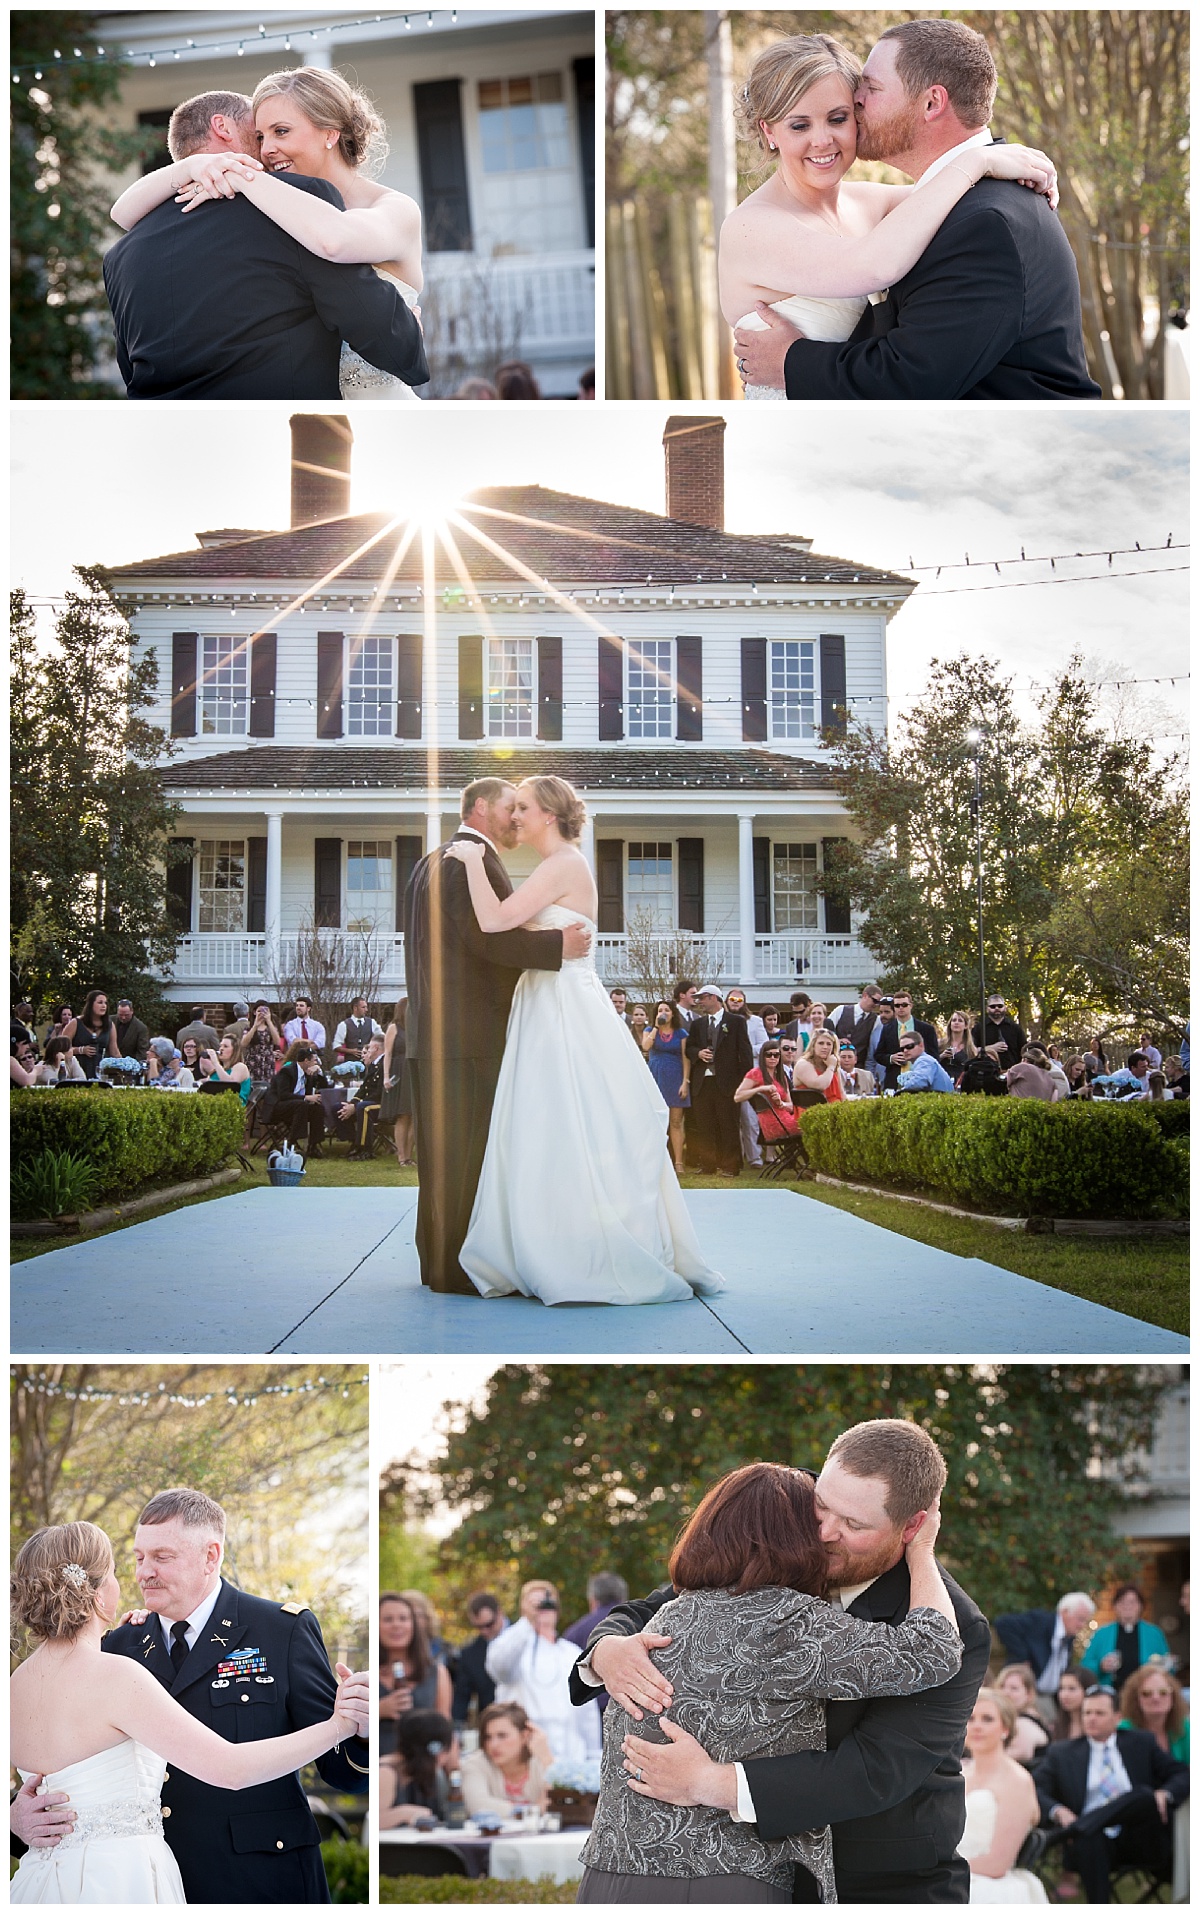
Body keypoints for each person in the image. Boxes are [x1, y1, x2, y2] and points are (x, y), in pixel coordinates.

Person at [571, 1419, 992, 1903]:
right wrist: (606, 1650)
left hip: (881, 1882)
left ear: (912, 1526)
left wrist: (713, 1783)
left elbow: (875, 1770)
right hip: (750, 1873)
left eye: (854, 1526)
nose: (827, 1533)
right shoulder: (786, 1523)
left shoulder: (958, 1625)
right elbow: (668, 1602)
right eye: (824, 1508)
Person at [443, 777, 723, 1304]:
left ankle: (576, 1248)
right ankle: (548, 1237)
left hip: (563, 1006)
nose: (516, 816)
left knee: (571, 1118)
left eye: (523, 807)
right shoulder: (554, 866)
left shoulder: (564, 863)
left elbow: (495, 919)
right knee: (547, 1121)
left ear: (548, 814)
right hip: (546, 1000)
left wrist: (474, 863)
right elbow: (517, 933)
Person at [10, 1496, 369, 1904]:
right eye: (137, 1557)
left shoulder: (280, 1631)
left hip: (258, 1883)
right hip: (140, 1883)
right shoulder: (119, 1647)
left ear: (210, 1556)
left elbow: (345, 1773)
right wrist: (12, 1820)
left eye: (161, 1556)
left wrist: (358, 1727)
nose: (144, 1572)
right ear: (93, 1593)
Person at [731, 20, 1098, 402]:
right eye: (799, 124)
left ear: (931, 103)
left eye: (869, 91)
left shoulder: (984, 221)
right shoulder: (752, 226)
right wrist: (979, 160)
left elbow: (913, 377)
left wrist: (794, 362)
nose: (858, 104)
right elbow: (878, 260)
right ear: (769, 130)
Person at [104, 83, 428, 401]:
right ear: (222, 128)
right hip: (294, 437)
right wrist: (405, 333)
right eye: (259, 136)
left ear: (330, 133)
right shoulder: (286, 213)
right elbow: (387, 341)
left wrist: (224, 174)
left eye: (280, 132)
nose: (266, 149)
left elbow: (132, 373)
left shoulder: (122, 253)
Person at [403, 778, 581, 1294]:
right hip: (469, 1037)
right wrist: (556, 947)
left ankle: (436, 1265)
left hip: (434, 1035)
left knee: (440, 1159)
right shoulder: (466, 861)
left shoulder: (430, 862)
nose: (516, 818)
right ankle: (457, 1270)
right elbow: (487, 940)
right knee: (466, 1155)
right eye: (510, 807)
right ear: (481, 807)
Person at [1035, 1684, 1188, 1903]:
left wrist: (1166, 1793)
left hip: (1139, 1838)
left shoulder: (1141, 1743)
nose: (1091, 1718)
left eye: (1099, 1713)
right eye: (1087, 1712)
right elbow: (1035, 1787)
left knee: (1145, 1796)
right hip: (1091, 1844)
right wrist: (1058, 1811)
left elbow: (1182, 1774)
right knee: (1090, 1837)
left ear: (1117, 1717)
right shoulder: (1063, 1753)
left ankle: (1077, 1828)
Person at [486, 1581, 603, 1767]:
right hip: (524, 1757)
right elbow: (500, 1668)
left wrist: (594, 1757)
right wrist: (527, 1622)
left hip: (569, 1758)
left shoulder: (571, 1652)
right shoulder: (512, 1644)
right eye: (535, 1603)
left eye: (548, 1602)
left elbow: (587, 1709)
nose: (543, 1608)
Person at [957, 1689, 1048, 1902]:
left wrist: (936, 1870)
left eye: (987, 1719)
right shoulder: (959, 1772)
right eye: (970, 1718)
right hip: (951, 1869)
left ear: (1005, 1728)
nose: (977, 1726)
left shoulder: (1017, 1781)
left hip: (987, 1881)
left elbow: (997, 1863)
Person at [686, 986, 756, 1177]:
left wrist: (743, 1082)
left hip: (727, 1083)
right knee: (704, 1125)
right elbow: (689, 1048)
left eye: (703, 998)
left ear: (714, 998)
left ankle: (730, 1166)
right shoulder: (698, 1024)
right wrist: (698, 1053)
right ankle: (708, 1164)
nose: (700, 1002)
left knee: (728, 1125)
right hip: (703, 1082)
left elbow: (745, 1052)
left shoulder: (736, 1022)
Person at [379, 1591, 453, 1757]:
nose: (396, 1625)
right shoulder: (368, 1673)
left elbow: (445, 1726)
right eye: (388, 1619)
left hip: (422, 1766)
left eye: (403, 1619)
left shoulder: (437, 1672)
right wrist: (380, 1709)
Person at [462, 1702, 553, 1820]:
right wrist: (533, 1810)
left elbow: (558, 1802)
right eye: (488, 1737)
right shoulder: (474, 1764)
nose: (493, 1745)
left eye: (502, 1736)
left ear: (525, 1736)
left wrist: (547, 1760)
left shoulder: (541, 1761)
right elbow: (478, 1806)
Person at [994, 1591, 1096, 1696]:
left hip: (1052, 1696)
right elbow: (1003, 1624)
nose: (1082, 1625)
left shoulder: (1069, 1637)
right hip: (1026, 1691)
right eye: (1080, 1619)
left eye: (1085, 1621)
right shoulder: (1041, 1622)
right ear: (1065, 1612)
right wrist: (1022, 1656)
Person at [1081, 1584, 1171, 1688]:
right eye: (1122, 1602)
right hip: (1111, 1692)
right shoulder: (1102, 1634)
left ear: (1141, 1606)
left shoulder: (1154, 1633)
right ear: (1114, 1606)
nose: (1127, 1606)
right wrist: (1101, 1666)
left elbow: (1167, 1665)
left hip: (1145, 1692)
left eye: (1132, 1602)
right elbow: (1085, 1666)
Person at [380, 1712, 460, 1828]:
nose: (445, 1757)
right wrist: (404, 1813)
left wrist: (454, 1768)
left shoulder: (428, 1775)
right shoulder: (385, 1773)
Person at [254, 1041, 332, 1156]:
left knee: (317, 1108)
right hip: (277, 1107)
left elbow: (325, 1087)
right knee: (302, 1104)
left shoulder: (309, 1073)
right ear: (306, 1061)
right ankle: (291, 1143)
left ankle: (313, 1145)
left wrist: (319, 1072)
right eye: (314, 1060)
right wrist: (306, 1097)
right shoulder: (287, 1071)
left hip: (296, 1108)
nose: (316, 1063)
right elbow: (283, 1095)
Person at [644, 1001, 691, 1174]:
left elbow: (686, 1058)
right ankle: (656, 1162)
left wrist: (685, 1081)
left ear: (673, 1013)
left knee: (676, 1122)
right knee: (655, 1122)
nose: (663, 1012)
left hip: (675, 1078)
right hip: (655, 1076)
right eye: (660, 1010)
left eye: (666, 1010)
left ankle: (678, 1162)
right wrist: (656, 1027)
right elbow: (646, 1047)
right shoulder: (649, 1031)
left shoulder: (681, 1033)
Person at [451, 1593, 507, 1725]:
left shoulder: (527, 1639)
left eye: (489, 1624)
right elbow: (461, 1697)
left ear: (499, 1613)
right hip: (494, 1724)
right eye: (478, 1627)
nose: (484, 1631)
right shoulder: (470, 1654)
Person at [735, 1038, 800, 1151]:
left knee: (813, 1123)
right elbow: (738, 1097)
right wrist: (760, 1089)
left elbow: (790, 1106)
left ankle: (809, 1163)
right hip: (771, 1123)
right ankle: (813, 1164)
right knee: (811, 1126)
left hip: (785, 1118)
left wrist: (781, 1103)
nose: (773, 1058)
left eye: (776, 1055)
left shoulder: (781, 1076)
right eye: (768, 1055)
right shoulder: (755, 1073)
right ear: (762, 1056)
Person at [1119, 1666, 1189, 1764]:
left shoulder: (1185, 1728)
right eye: (1146, 1693)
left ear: (1173, 1697)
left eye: (1163, 1692)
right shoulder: (1123, 1731)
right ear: (1135, 1700)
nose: (1156, 1698)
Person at [379, 998, 414, 1166]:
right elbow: (388, 1053)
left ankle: (409, 1155)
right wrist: (386, 1076)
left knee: (414, 1116)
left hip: (414, 1072)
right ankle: (401, 1156)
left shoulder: (416, 1027)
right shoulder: (394, 1028)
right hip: (399, 1071)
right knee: (403, 1115)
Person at [995, 1664, 1050, 1767]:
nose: (1006, 1692)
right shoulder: (1015, 1719)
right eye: (1002, 1686)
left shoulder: (1025, 1722)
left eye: (1014, 1688)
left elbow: (1022, 1753)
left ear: (1029, 1694)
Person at [65, 991, 120, 1080]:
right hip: (78, 1070)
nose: (104, 1006)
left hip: (99, 1071)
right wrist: (80, 1050)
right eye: (100, 1002)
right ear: (90, 1004)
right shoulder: (75, 1023)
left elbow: (114, 1052)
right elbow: (61, 1048)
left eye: (105, 1003)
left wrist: (124, 1065)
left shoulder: (110, 1025)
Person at [828, 985, 882, 1066]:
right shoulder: (841, 1010)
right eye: (874, 1000)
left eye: (878, 1002)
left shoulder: (876, 1020)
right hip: (835, 1063)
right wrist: (836, 1040)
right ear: (865, 995)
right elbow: (826, 1031)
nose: (876, 1005)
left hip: (858, 1066)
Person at [972, 995, 1026, 1073]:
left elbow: (1024, 1051)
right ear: (987, 1009)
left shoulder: (1015, 1028)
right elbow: (971, 1050)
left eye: (1000, 1006)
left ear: (1005, 1008)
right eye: (993, 1006)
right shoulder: (978, 1029)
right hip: (986, 1073)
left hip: (1012, 1073)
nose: (996, 1008)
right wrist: (991, 1048)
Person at [895, 1029, 956, 1094]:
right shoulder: (924, 1060)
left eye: (909, 1046)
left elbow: (919, 1082)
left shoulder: (924, 1060)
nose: (905, 1050)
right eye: (902, 1049)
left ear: (921, 1045)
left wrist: (900, 1092)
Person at [241, 1001, 283, 1093]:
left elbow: (277, 1041)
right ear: (254, 1012)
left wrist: (269, 1021)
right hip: (253, 1062)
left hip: (267, 1062)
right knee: (252, 1088)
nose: (262, 1013)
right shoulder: (249, 1028)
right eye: (260, 1011)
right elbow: (243, 1043)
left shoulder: (271, 1027)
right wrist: (255, 1026)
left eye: (265, 1011)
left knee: (268, 1088)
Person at [792, 1027, 845, 1101]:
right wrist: (830, 1067)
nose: (825, 1047)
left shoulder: (833, 1064)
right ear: (813, 1046)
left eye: (829, 1044)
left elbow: (841, 1093)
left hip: (836, 1108)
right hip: (811, 1110)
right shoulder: (803, 1064)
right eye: (821, 1043)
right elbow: (820, 1085)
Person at [196, 1035, 251, 1100]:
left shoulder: (240, 1067)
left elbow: (229, 1085)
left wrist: (216, 1063)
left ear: (235, 1050)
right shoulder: (219, 1070)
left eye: (225, 1046)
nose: (221, 1049)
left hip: (232, 1104)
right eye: (220, 1046)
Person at [940, 1011, 977, 1085]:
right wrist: (941, 1056)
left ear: (966, 1026)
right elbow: (931, 1063)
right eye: (954, 1020)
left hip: (961, 1085)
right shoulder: (940, 1044)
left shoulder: (971, 1049)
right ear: (950, 1024)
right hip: (942, 1082)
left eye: (960, 1021)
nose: (956, 1023)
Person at [1052, 1669, 1088, 1743]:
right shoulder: (1055, 1728)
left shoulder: (1097, 1727)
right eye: (1061, 1688)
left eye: (1072, 1689)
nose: (1064, 1695)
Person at [114, 999, 150, 1063]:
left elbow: (142, 1051)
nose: (123, 1018)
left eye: (126, 1015)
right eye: (120, 1015)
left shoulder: (141, 1028)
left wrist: (134, 1066)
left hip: (130, 1066)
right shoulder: (109, 1021)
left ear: (132, 1011)